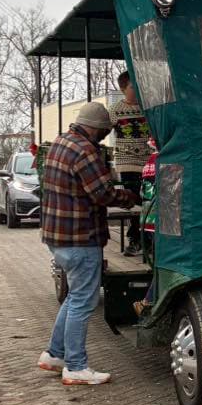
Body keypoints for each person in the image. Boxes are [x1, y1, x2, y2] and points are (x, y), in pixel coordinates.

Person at [36, 102, 136, 386]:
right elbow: (102, 193)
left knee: (74, 296)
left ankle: (54, 355)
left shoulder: (61, 143)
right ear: (95, 128)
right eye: (104, 132)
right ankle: (76, 366)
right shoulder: (86, 150)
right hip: (81, 237)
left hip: (58, 237)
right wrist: (129, 196)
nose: (104, 137)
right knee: (83, 300)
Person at [110, 71, 152, 256]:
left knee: (149, 200)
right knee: (134, 199)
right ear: (123, 89)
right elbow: (102, 130)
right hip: (127, 163)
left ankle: (149, 238)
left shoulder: (147, 108)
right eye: (132, 87)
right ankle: (135, 239)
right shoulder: (115, 110)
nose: (137, 90)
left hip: (148, 162)